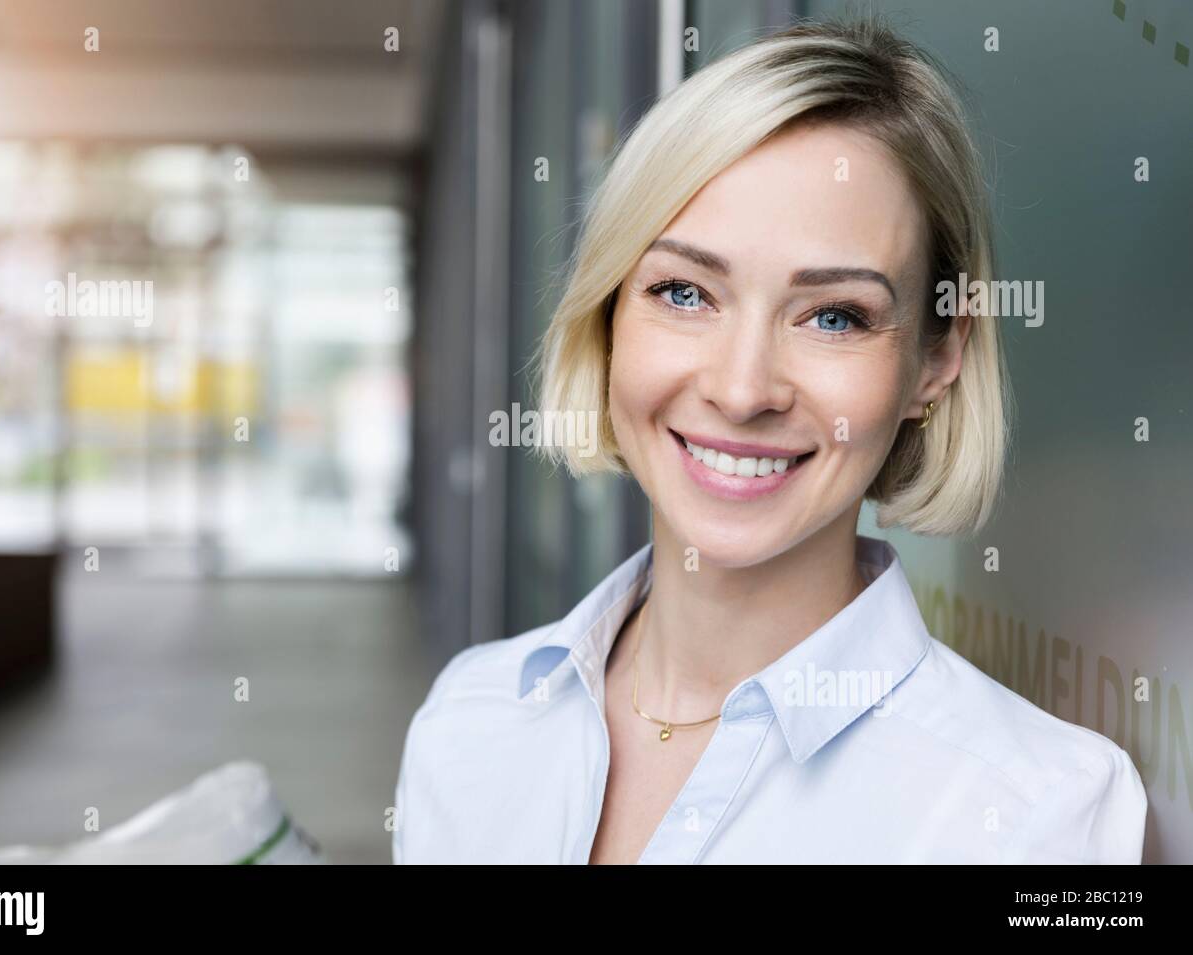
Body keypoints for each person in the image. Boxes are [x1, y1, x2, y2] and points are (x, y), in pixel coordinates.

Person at [392, 16, 1147, 864]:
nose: (742, 389)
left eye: (833, 316)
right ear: (609, 318)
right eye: (685, 293)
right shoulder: (469, 720)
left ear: (936, 358)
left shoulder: (1047, 815)